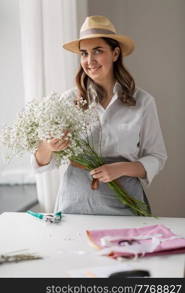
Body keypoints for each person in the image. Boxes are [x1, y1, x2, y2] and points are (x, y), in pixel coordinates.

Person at [31, 15, 167, 215]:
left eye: (98, 51)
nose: (89, 61)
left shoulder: (143, 102)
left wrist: (121, 169)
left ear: (115, 53)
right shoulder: (66, 101)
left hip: (126, 203)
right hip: (75, 204)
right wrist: (48, 146)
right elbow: (39, 164)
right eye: (84, 53)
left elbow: (157, 157)